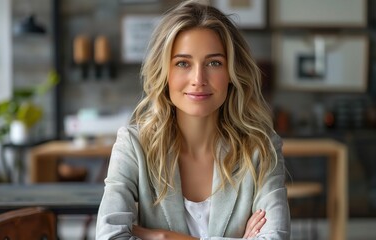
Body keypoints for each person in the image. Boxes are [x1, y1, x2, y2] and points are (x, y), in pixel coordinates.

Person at [96, 1, 290, 239]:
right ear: (165, 72)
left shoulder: (261, 149)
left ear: (231, 72)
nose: (198, 78)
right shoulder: (133, 146)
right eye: (183, 63)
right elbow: (110, 237)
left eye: (214, 63)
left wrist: (163, 237)